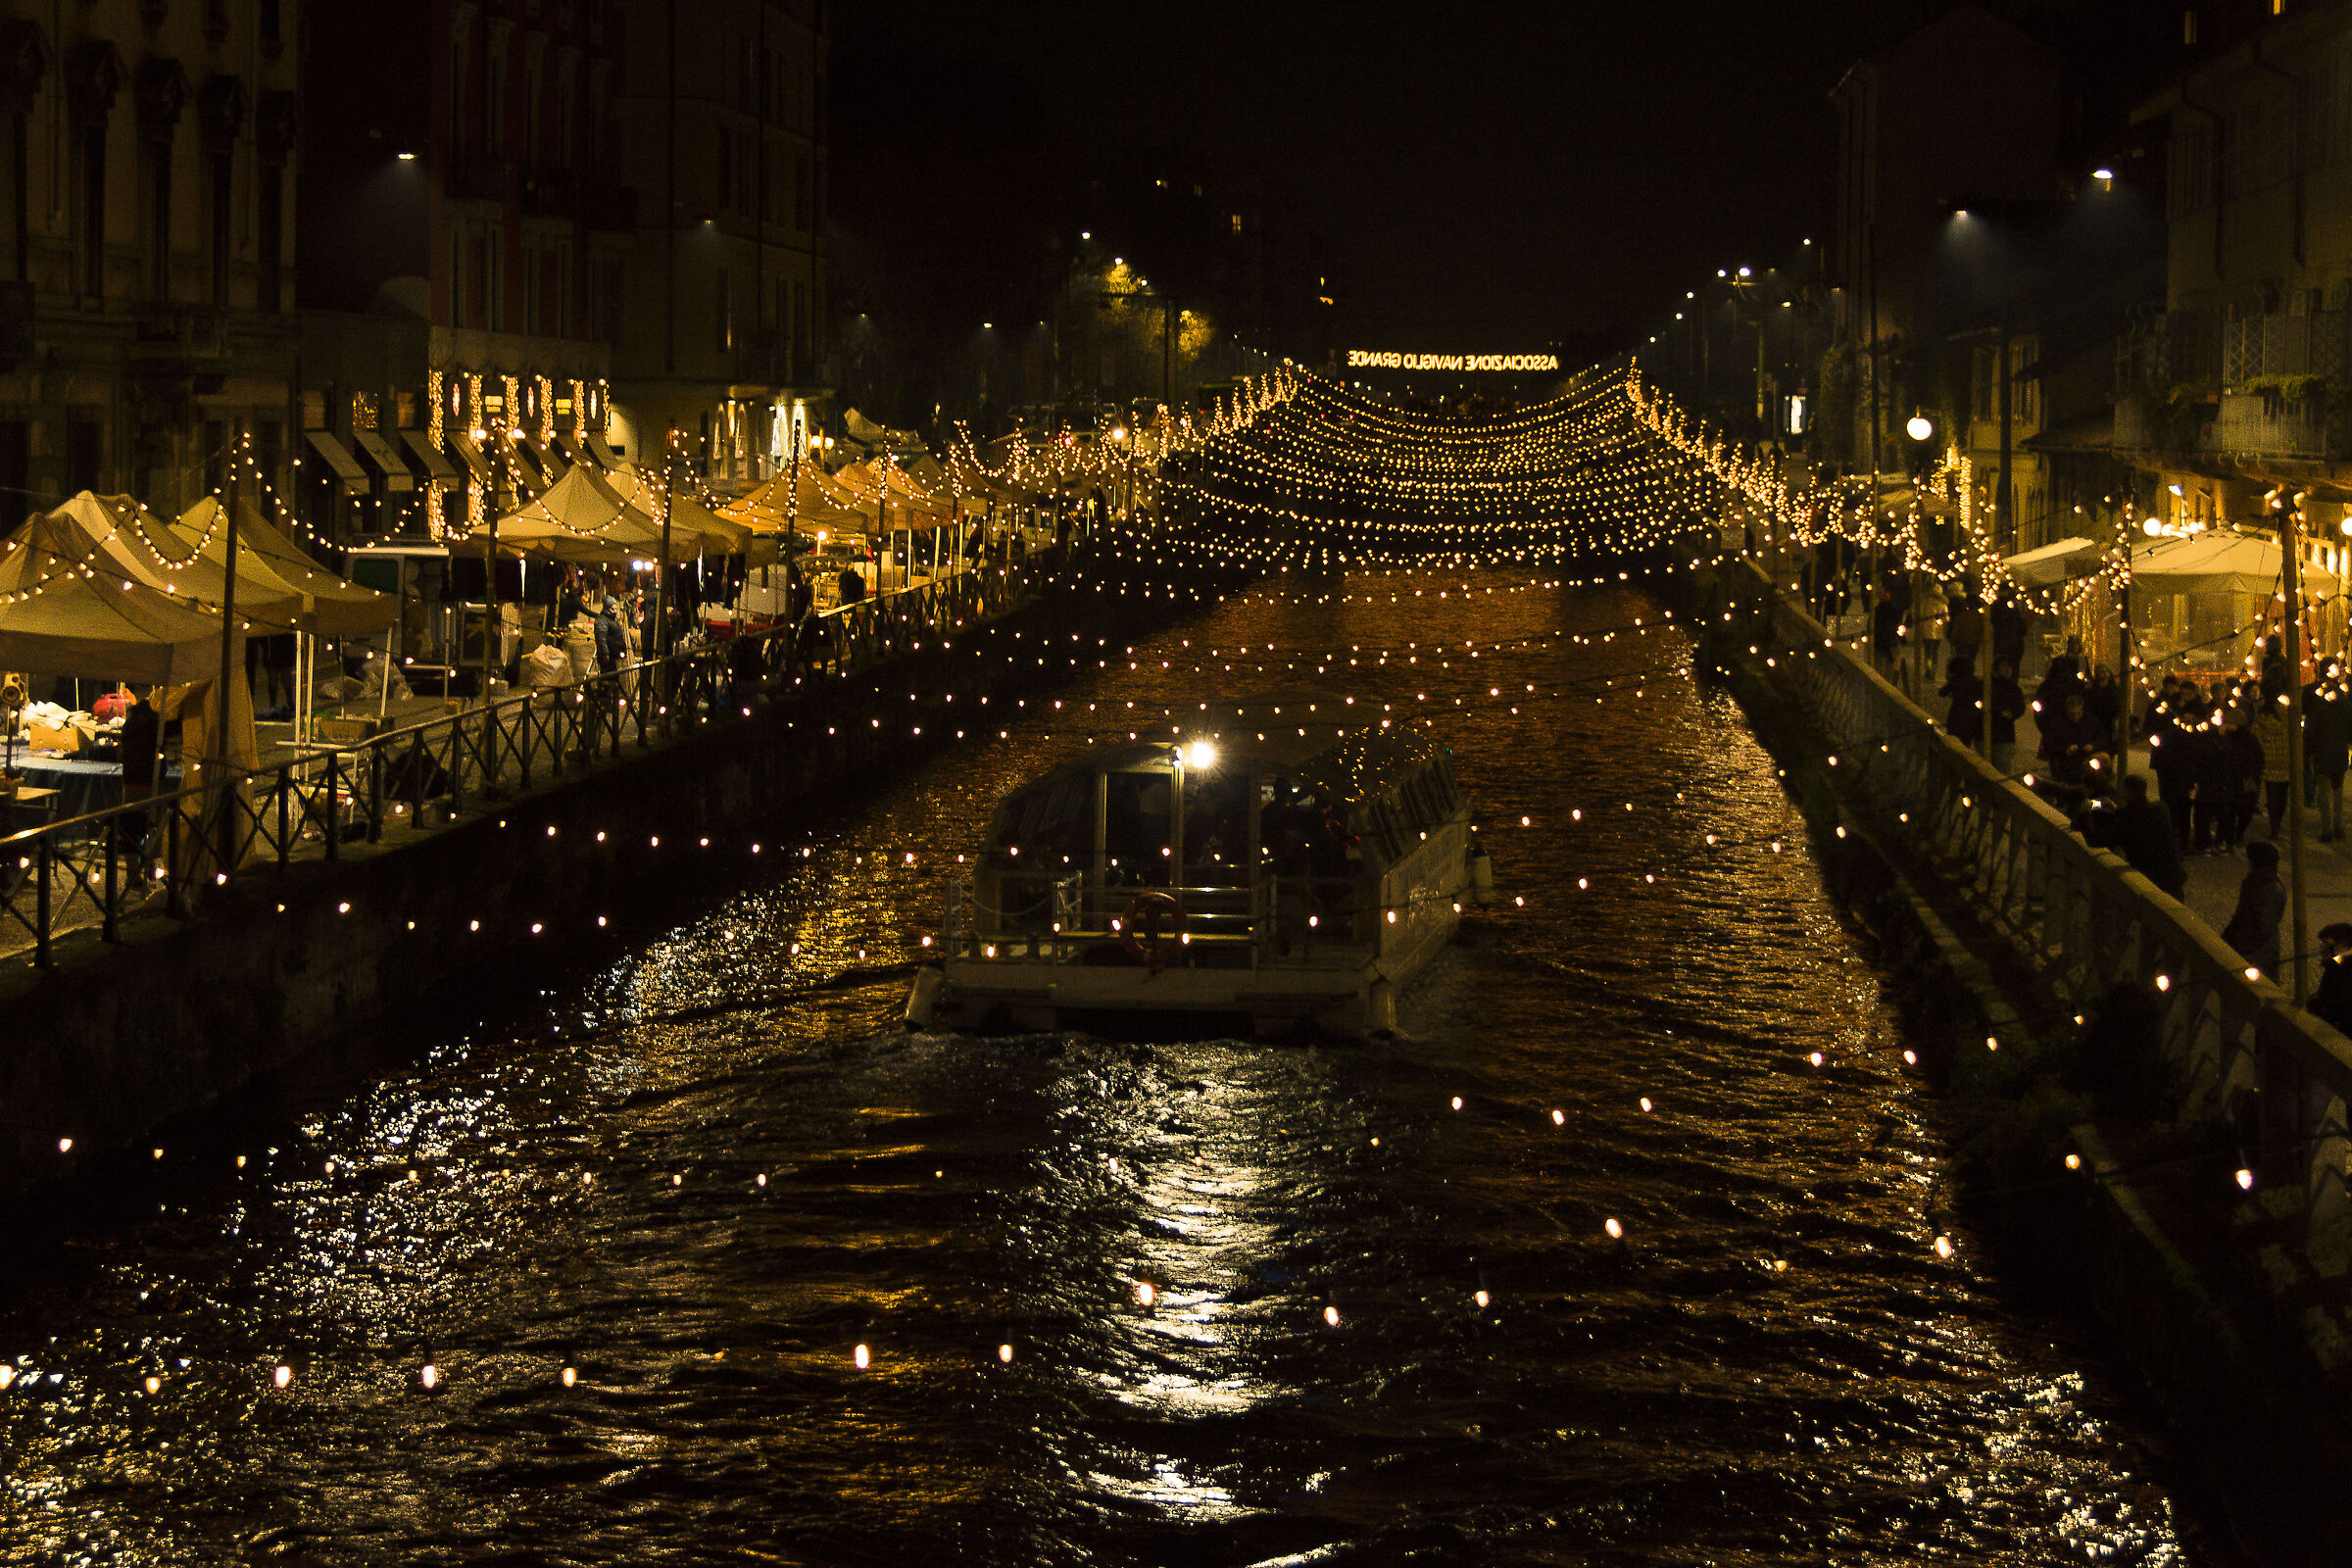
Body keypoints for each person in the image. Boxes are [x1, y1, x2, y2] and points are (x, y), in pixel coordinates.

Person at [2092, 773, 2187, 899]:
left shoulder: (2127, 825)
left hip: (2152, 882)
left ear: (2127, 793)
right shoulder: (2161, 809)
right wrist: (2118, 811)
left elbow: (2098, 839)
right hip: (2174, 877)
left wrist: (2084, 818)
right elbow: (2139, 815)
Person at [2220, 838, 2287, 978]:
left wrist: (2245, 950)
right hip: (2253, 949)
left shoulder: (2264, 888)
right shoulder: (2258, 882)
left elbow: (2263, 927)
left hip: (2257, 955)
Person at [2309, 662, 2352, 843]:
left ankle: (2327, 829)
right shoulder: (2343, 700)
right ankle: (2339, 826)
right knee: (2338, 791)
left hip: (2323, 751)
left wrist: (2309, 750)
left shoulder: (2318, 699)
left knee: (2325, 793)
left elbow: (2312, 727)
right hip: (2339, 750)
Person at [2254, 698, 2292, 838]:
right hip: (2286, 758)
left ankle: (2274, 824)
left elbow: (2256, 737)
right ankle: (2278, 822)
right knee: (2282, 795)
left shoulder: (2262, 715)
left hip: (2269, 760)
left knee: (2272, 795)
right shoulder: (2289, 713)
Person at [2311, 923, 2352, 1035]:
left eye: (2326, 944)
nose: (2322, 948)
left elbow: (2335, 1005)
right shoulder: (2335, 965)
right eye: (2322, 943)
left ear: (2342, 946)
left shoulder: (2342, 969)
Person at [1988, 656, 2026, 774]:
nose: (2007, 669)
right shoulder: (1987, 686)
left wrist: (2012, 714)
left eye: (2009, 666)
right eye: (2004, 666)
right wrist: (1999, 712)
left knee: (2002, 769)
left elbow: (2020, 707)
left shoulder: (2013, 688)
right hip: (1987, 733)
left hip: (2005, 735)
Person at [1940, 656, 1984, 748]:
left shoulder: (1955, 680)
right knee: (1966, 742)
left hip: (1956, 714)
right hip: (1971, 715)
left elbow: (1942, 692)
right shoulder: (1976, 681)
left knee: (1953, 742)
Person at [1871, 586, 1903, 684]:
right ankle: (1886, 683)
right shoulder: (1882, 610)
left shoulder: (1878, 610)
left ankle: (1882, 683)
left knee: (1884, 665)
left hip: (1883, 641)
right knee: (1889, 664)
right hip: (1887, 641)